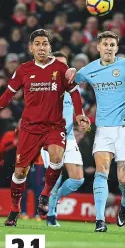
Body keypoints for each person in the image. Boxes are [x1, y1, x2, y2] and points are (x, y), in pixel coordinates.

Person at [66, 31, 125, 232]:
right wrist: (71, 69)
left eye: (112, 45)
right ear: (98, 47)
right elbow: (70, 85)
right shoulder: (90, 69)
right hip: (104, 128)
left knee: (123, 180)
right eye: (105, 44)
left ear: (117, 48)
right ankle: (100, 221)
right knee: (101, 172)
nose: (108, 47)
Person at [0, 29, 89, 227]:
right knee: (20, 173)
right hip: (30, 128)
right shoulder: (24, 69)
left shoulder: (60, 67)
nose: (42, 47)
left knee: (57, 157)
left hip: (54, 126)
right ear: (31, 48)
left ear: (50, 47)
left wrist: (80, 114)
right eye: (38, 44)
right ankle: (15, 208)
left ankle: (46, 194)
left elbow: (74, 92)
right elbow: (8, 94)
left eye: (45, 44)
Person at [41, 51, 85, 227]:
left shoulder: (74, 87)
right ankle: (51, 216)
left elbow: (76, 110)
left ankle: (50, 198)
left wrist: (82, 120)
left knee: (78, 179)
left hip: (69, 137)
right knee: (56, 177)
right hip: (48, 138)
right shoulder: (42, 86)